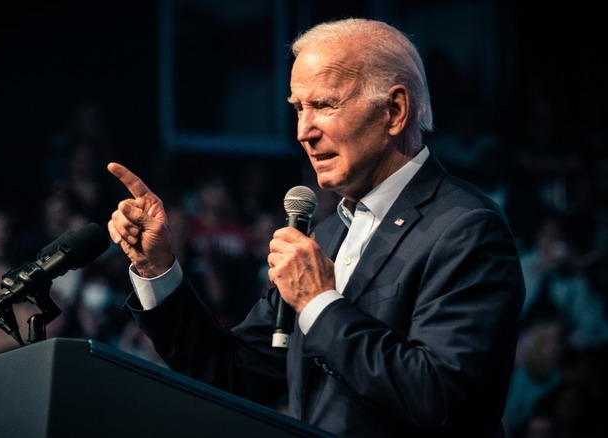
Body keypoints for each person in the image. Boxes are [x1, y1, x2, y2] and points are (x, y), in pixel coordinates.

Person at [106, 17, 525, 437]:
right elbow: (231, 375)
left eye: (324, 105)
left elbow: (439, 396)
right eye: (298, 109)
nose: (304, 131)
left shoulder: (466, 228)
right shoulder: (325, 235)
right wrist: (157, 268)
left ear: (394, 111)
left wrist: (320, 303)